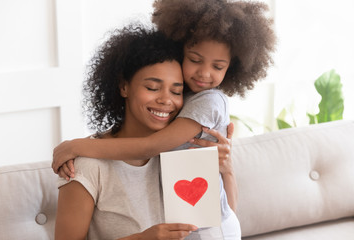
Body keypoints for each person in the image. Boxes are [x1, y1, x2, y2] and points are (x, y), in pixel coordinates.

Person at [54, 0, 276, 239]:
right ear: (123, 86)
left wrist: (226, 169)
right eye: (152, 87)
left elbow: (220, 220)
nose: (166, 100)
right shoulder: (87, 165)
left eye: (177, 91)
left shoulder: (183, 148)